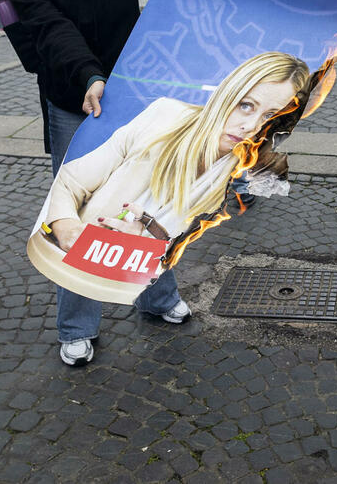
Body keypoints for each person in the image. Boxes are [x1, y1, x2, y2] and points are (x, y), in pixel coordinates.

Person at [0, 0, 198, 365]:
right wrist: (87, 78)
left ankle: (157, 296)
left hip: (134, 95)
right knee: (78, 207)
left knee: (145, 197)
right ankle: (76, 325)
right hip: (74, 103)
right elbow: (54, 33)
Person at [35, 52, 309, 366]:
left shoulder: (240, 161)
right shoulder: (165, 116)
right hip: (86, 237)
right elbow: (71, 182)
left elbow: (176, 231)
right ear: (227, 93)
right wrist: (65, 225)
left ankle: (158, 299)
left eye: (269, 116)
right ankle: (75, 329)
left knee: (160, 254)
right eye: (245, 104)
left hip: (145, 249)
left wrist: (146, 237)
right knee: (80, 264)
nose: (249, 126)